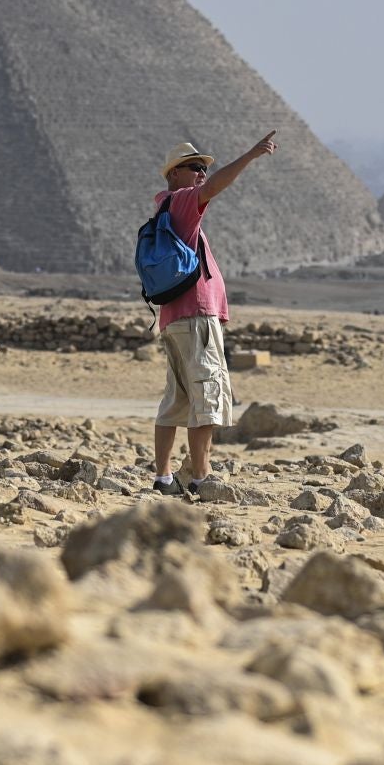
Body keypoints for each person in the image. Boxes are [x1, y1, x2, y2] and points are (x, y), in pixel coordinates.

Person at [149, 132, 277, 498]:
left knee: (177, 399)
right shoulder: (184, 203)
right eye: (194, 168)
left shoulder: (163, 207)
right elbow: (216, 187)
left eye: (204, 167)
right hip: (196, 318)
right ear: (174, 174)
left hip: (175, 318)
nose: (203, 173)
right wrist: (251, 154)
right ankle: (201, 478)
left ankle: (164, 477)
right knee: (206, 397)